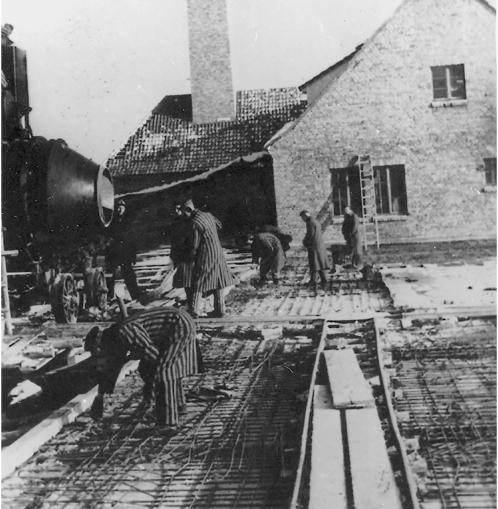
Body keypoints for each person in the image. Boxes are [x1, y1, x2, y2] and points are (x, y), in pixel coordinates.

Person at [84, 306, 201, 426]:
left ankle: (168, 423)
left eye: (100, 350)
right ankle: (178, 406)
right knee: (154, 368)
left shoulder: (125, 331)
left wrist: (149, 393)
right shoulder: (117, 335)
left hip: (179, 325)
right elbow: (117, 365)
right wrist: (101, 394)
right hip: (172, 326)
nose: (103, 352)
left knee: (165, 370)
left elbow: (153, 355)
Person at [182, 199, 234, 318]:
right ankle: (220, 310)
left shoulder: (194, 223)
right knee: (218, 280)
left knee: (198, 280)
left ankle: (194, 311)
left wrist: (189, 258)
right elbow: (219, 225)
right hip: (218, 251)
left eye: (184, 212)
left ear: (189, 210)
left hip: (206, 254)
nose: (184, 215)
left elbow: (194, 246)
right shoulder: (208, 215)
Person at [107, 198, 142, 302]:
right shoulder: (113, 222)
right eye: (117, 207)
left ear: (125, 208)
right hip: (116, 252)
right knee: (111, 275)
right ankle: (110, 296)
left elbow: (133, 241)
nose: (119, 209)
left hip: (126, 253)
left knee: (129, 275)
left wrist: (133, 256)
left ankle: (136, 296)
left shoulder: (129, 221)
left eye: (121, 207)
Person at [169, 202, 194, 308]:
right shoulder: (175, 222)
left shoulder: (187, 222)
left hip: (185, 254)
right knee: (183, 279)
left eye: (178, 209)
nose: (176, 211)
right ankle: (189, 298)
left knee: (188, 278)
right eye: (175, 209)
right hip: (177, 253)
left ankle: (191, 300)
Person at [299, 210, 330, 289]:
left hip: (314, 246)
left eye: (302, 217)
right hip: (319, 245)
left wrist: (305, 242)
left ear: (305, 215)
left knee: (314, 263)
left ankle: (314, 280)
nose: (303, 219)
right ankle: (323, 279)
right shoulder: (315, 221)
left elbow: (310, 235)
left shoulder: (310, 223)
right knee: (319, 263)